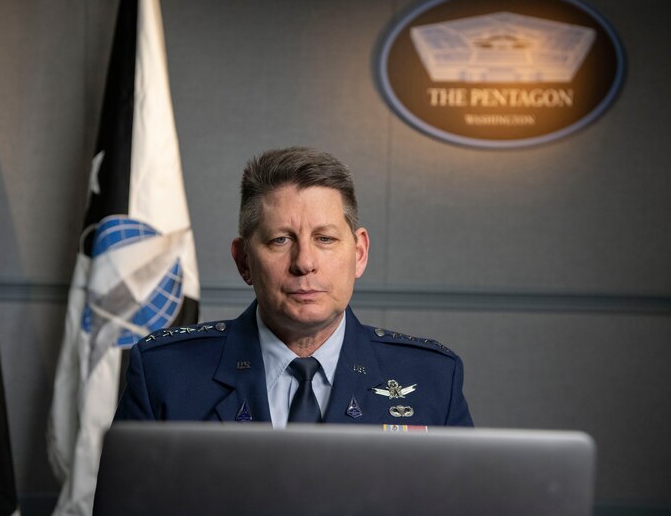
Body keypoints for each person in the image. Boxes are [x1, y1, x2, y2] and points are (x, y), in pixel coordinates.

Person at [114, 147, 473, 427]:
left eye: (326, 238)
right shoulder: (165, 375)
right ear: (243, 261)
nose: (304, 262)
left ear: (359, 253)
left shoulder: (433, 380)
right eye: (281, 240)